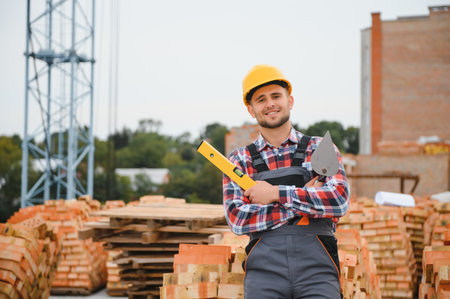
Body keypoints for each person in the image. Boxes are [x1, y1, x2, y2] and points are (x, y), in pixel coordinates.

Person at [222, 64, 349, 299]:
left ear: (290, 100)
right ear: (251, 109)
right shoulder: (239, 160)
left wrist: (276, 194)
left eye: (276, 96)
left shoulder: (321, 148)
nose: (270, 104)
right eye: (261, 99)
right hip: (264, 274)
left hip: (318, 273)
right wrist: (304, 200)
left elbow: (338, 201)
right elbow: (238, 220)